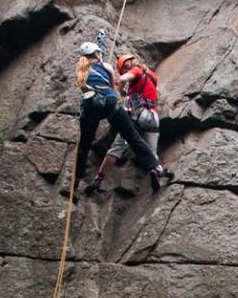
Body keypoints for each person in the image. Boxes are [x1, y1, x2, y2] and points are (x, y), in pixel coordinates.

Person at [73, 38, 171, 196]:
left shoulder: (81, 70)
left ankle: (84, 178)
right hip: (149, 114)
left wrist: (123, 92)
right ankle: (156, 168)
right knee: (136, 140)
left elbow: (87, 88)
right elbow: (112, 88)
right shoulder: (148, 75)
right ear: (98, 54)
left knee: (91, 145)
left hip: (100, 108)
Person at [90, 49, 160, 186]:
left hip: (137, 114)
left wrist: (121, 91)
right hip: (153, 116)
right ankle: (154, 170)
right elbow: (152, 91)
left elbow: (123, 79)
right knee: (151, 152)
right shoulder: (151, 75)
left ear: (125, 68)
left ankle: (99, 178)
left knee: (117, 147)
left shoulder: (136, 71)